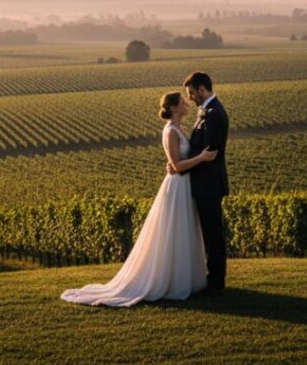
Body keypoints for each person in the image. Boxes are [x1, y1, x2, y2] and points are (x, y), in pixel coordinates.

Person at [60, 91, 216, 307]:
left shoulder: (180, 128)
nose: (186, 103)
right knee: (174, 231)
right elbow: (178, 167)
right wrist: (202, 158)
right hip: (177, 186)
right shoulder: (170, 131)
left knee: (183, 231)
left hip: (185, 186)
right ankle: (168, 281)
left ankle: (184, 279)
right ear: (172, 108)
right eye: (182, 102)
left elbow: (180, 162)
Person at [169, 71, 229, 293]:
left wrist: (183, 163)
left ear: (202, 89)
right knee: (208, 232)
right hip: (203, 183)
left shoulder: (214, 114)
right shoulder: (206, 112)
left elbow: (209, 152)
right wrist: (179, 162)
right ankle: (211, 277)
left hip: (210, 184)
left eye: (192, 93)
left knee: (213, 234)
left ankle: (216, 282)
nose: (191, 98)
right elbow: (198, 150)